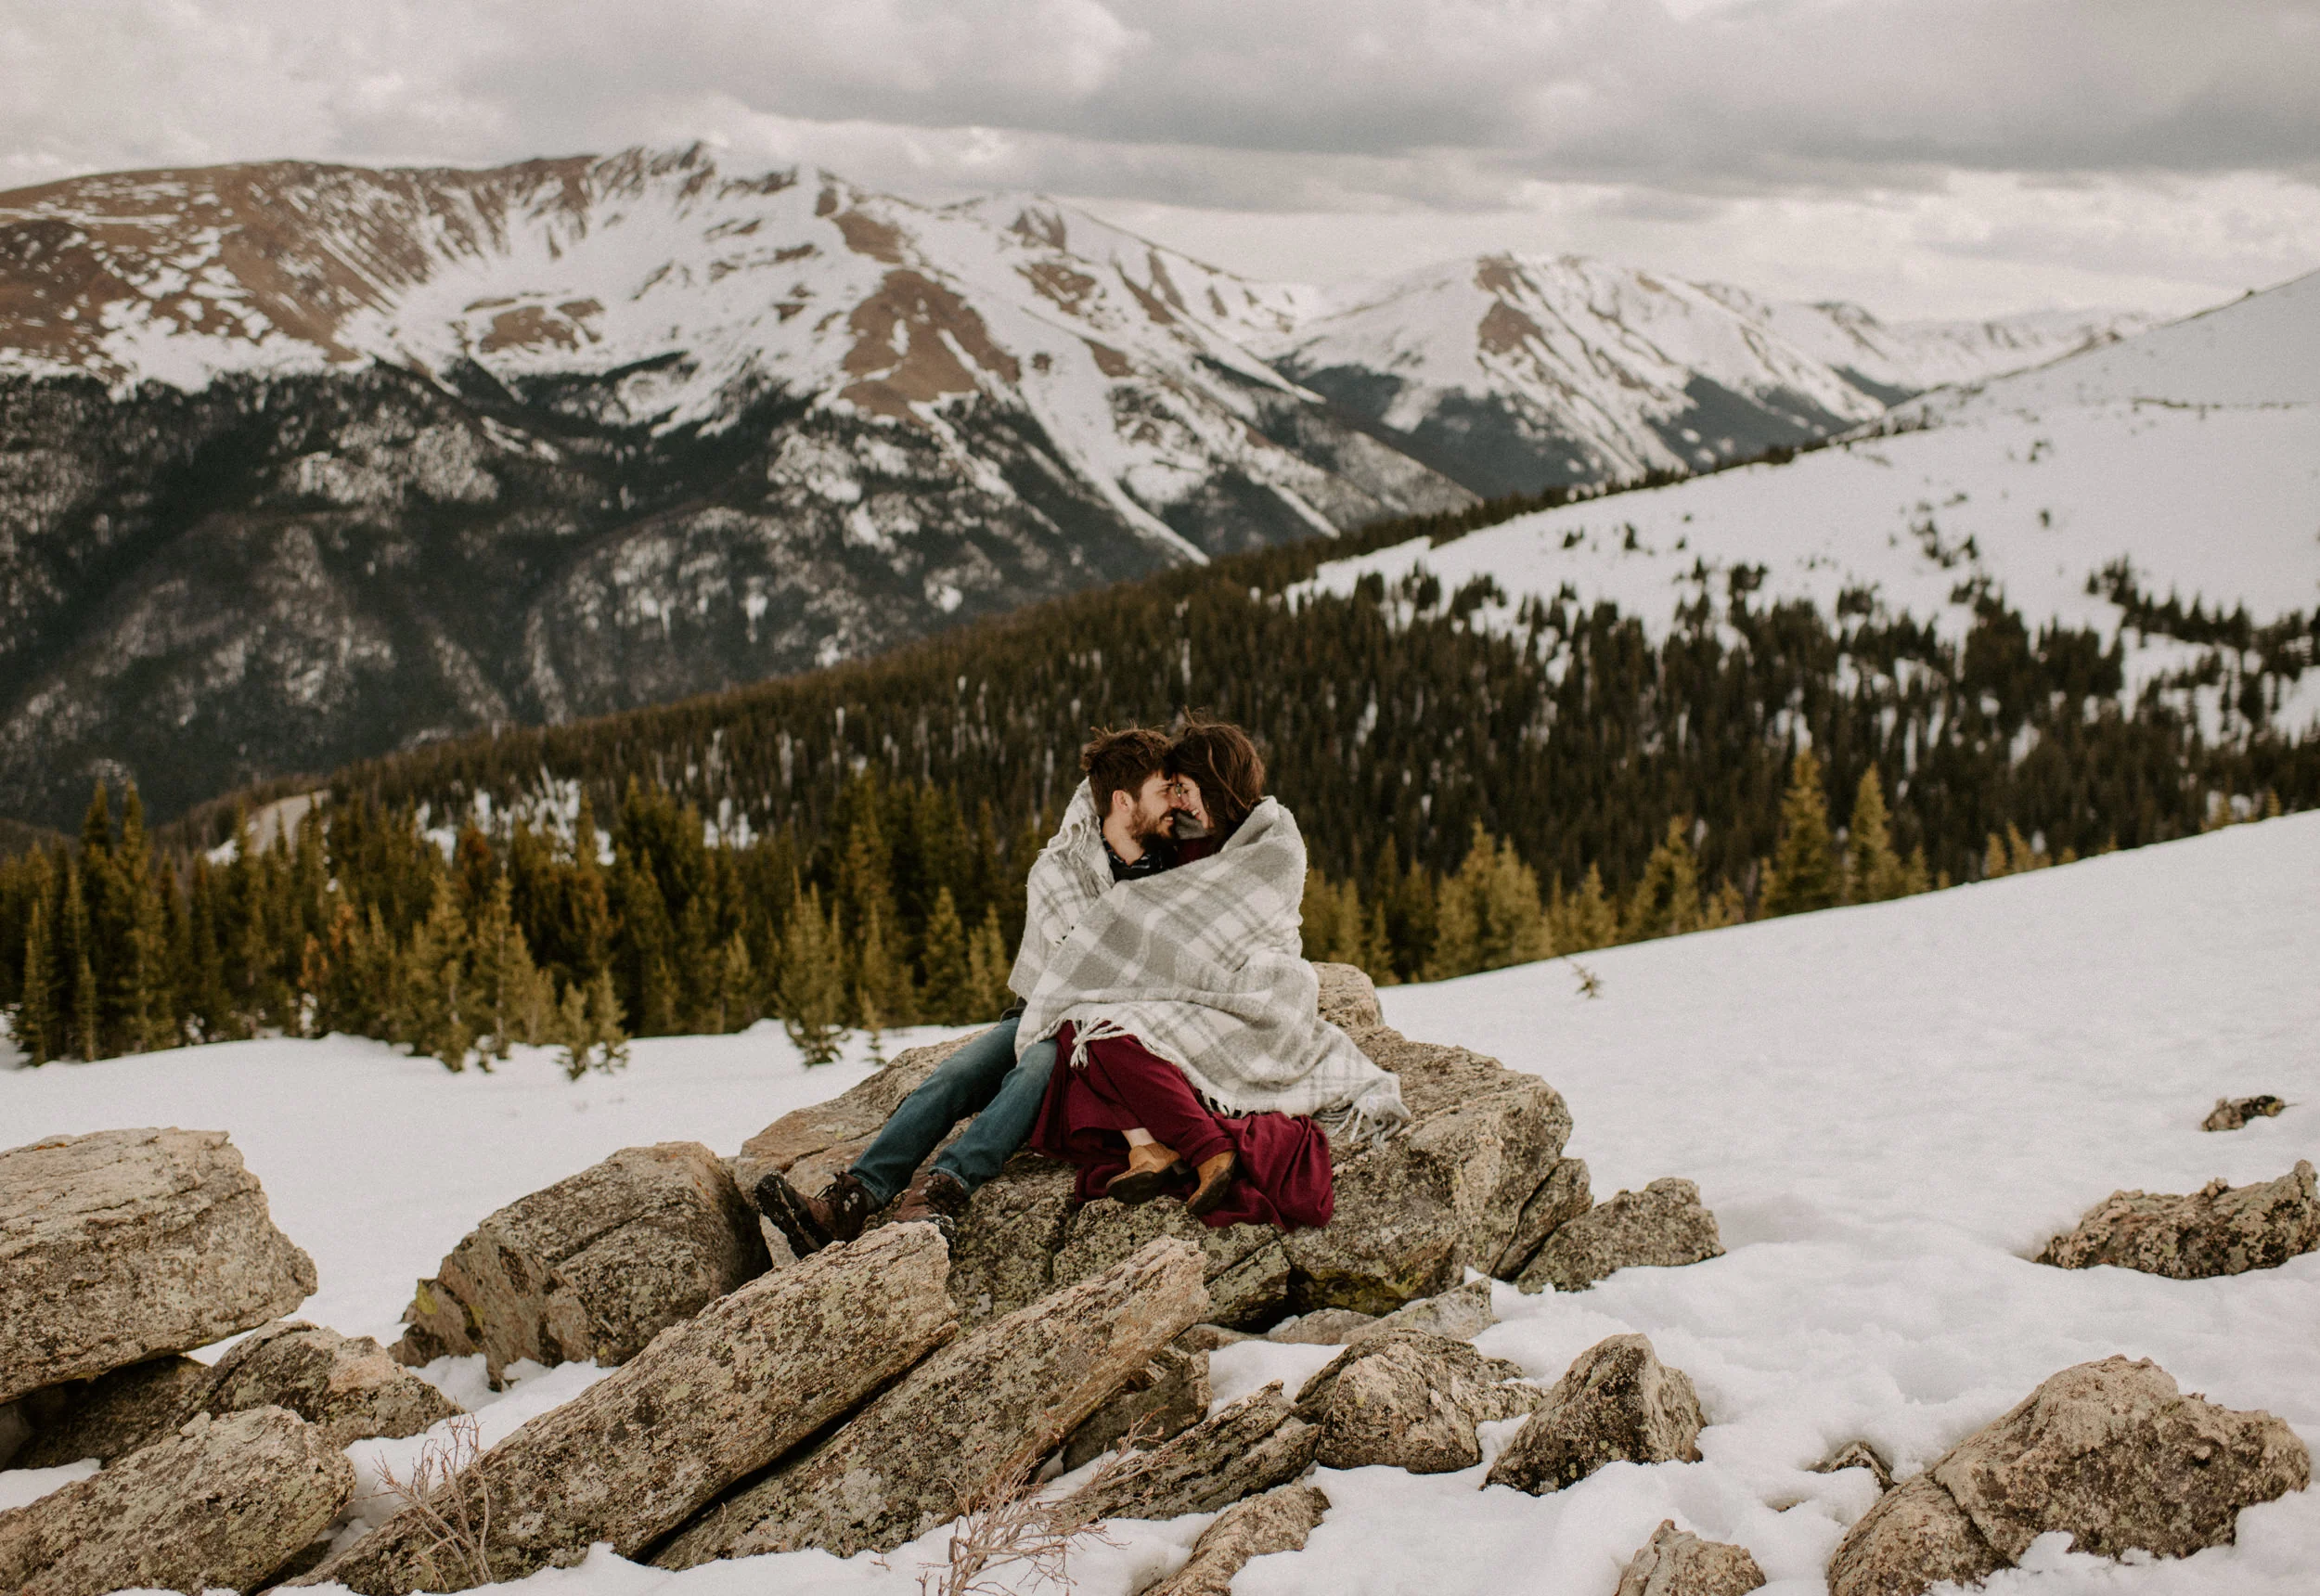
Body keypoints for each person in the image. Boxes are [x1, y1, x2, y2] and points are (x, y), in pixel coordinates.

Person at [753, 725, 1181, 1255]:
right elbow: (1084, 965)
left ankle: (944, 1188)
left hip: (1098, 1030)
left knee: (1035, 1070)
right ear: (1123, 800)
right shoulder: (1060, 869)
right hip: (1043, 1009)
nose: (1175, 803)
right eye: (1165, 790)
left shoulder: (1178, 864)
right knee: (953, 1075)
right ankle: (853, 1199)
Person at [1019, 715, 1410, 1229]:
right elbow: (1160, 915)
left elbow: (1233, 924)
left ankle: (1203, 1145)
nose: (1180, 801)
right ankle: (1161, 1150)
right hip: (1188, 992)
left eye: (1186, 788)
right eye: (1174, 790)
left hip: (1256, 989)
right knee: (1082, 1031)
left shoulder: (1275, 844)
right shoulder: (1187, 837)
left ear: (1216, 783)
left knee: (1099, 1035)